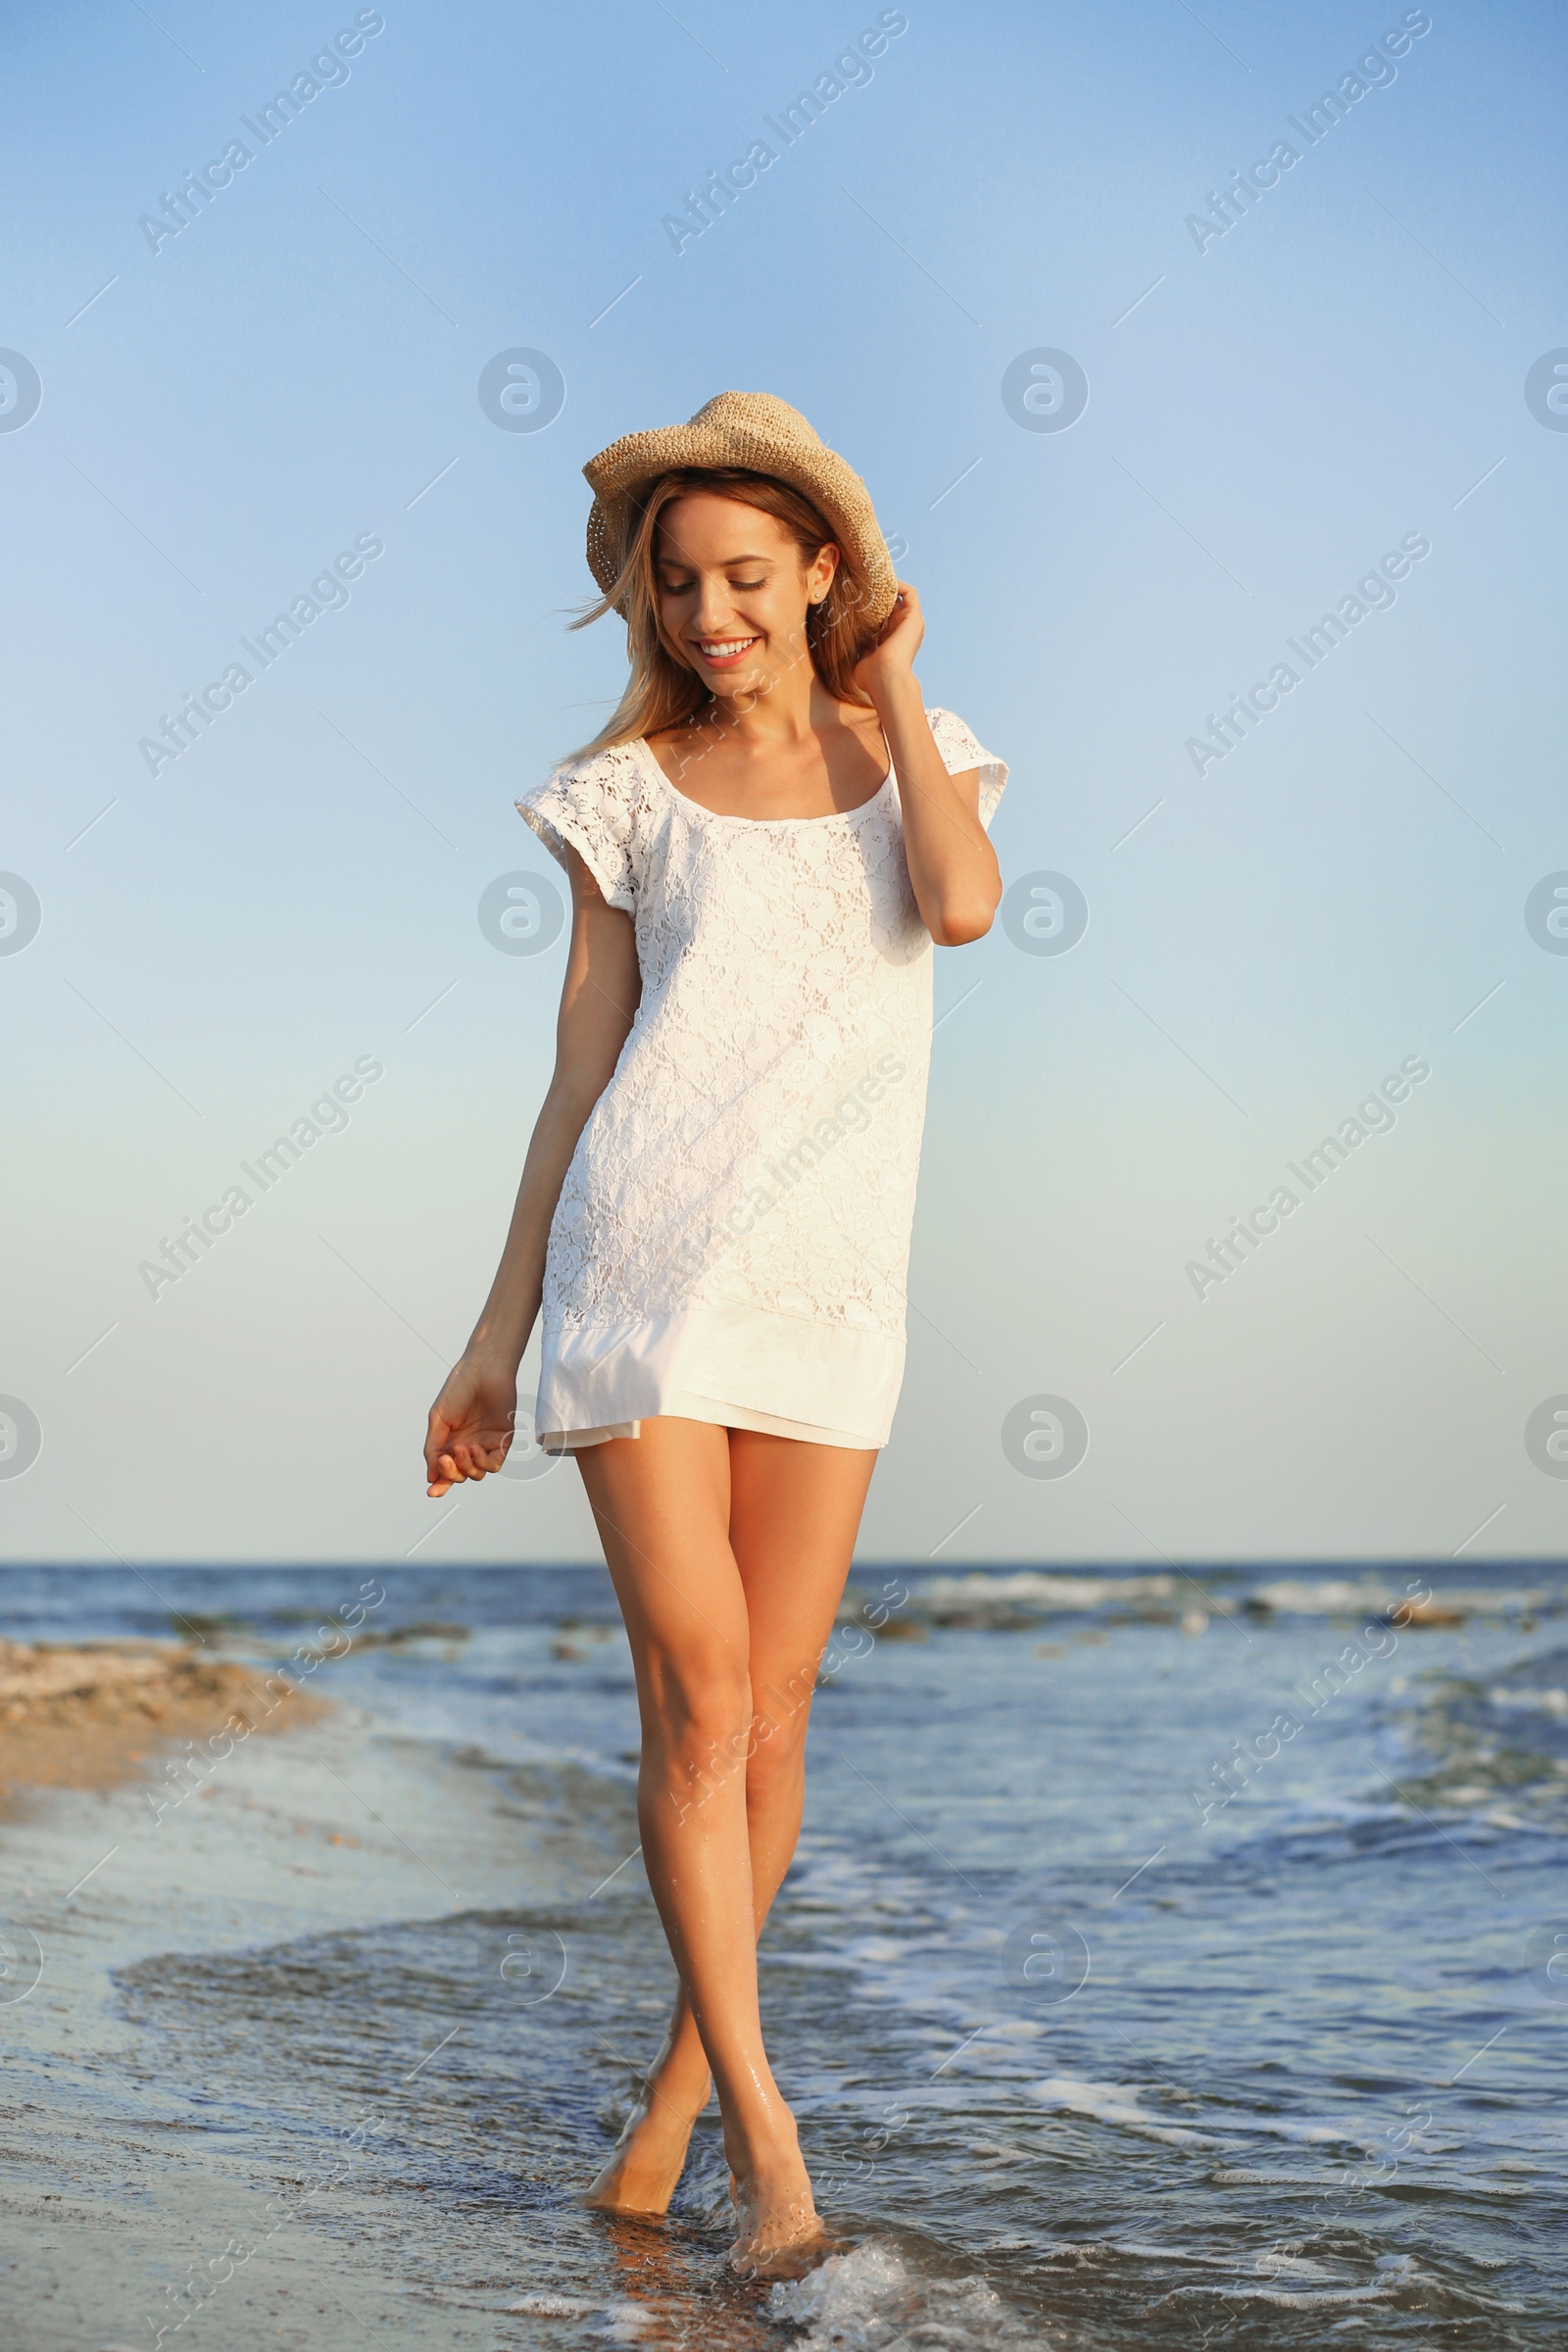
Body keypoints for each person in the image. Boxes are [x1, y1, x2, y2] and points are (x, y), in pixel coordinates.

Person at [422, 392, 1006, 2274]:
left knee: (778, 1719)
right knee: (698, 1702)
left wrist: (896, 694)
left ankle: (667, 2116)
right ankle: (776, 2152)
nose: (708, 615)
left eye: (745, 576)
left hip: (834, 1283)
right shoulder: (626, 798)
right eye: (678, 584)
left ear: (824, 570)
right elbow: (581, 1062)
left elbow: (965, 908)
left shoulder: (928, 757)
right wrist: (498, 1330)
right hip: (641, 1271)